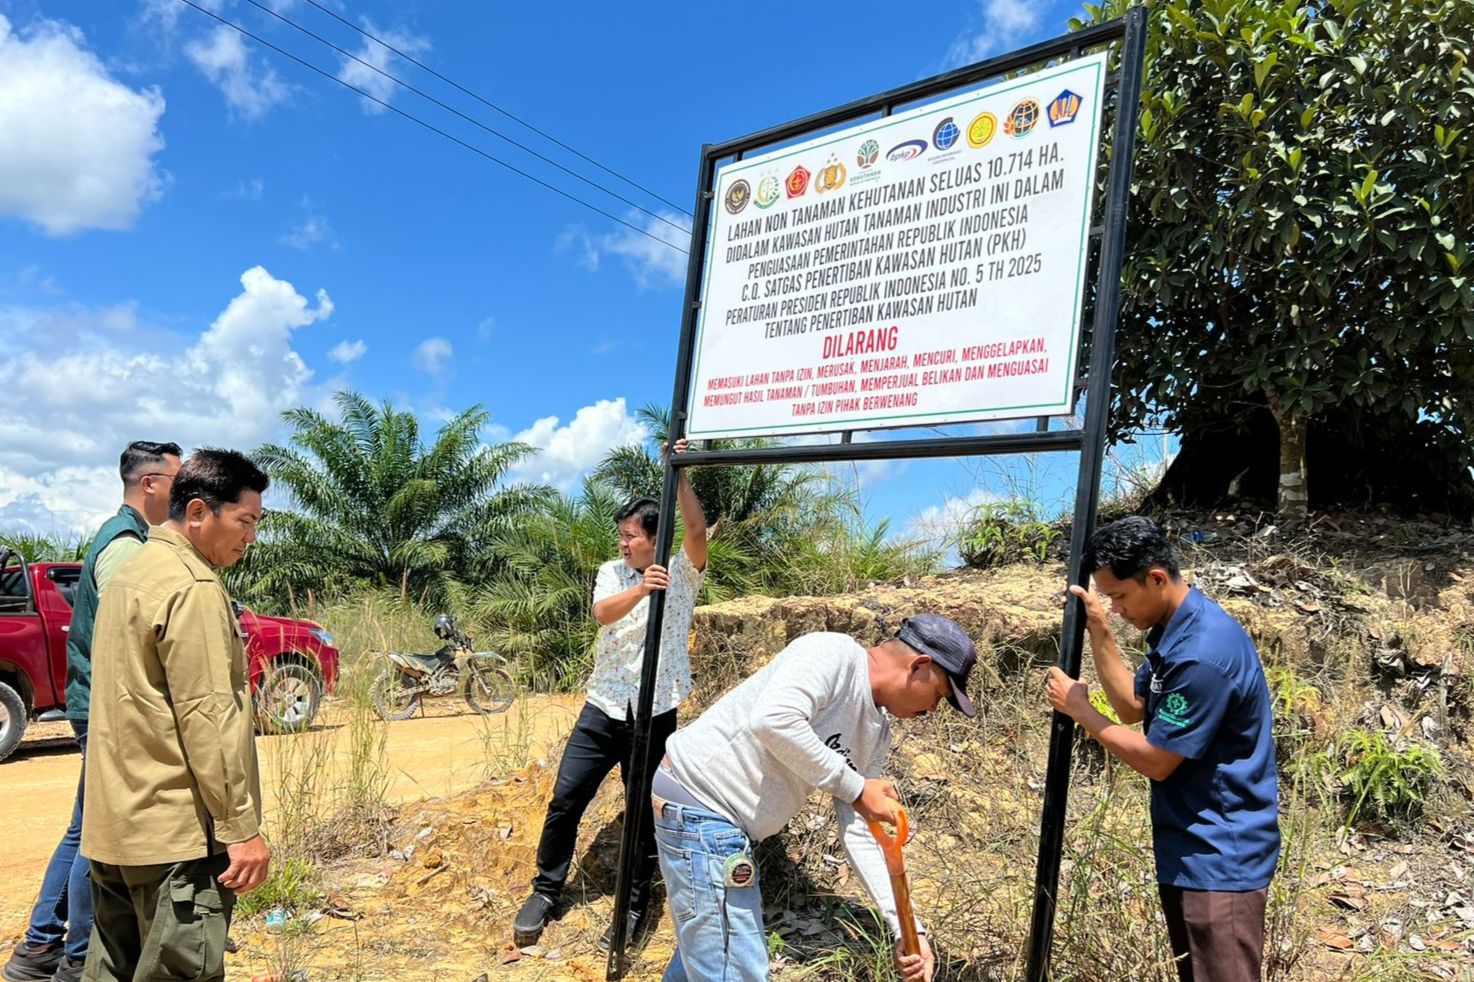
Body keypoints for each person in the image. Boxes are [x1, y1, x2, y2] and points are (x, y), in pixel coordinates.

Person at [654, 614, 981, 982]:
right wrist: (856, 787)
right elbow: (773, 720)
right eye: (939, 695)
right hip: (700, 806)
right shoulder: (833, 654)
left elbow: (861, 830)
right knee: (736, 968)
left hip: (718, 823)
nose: (932, 710)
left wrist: (908, 929)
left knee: (710, 952)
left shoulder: (876, 732)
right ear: (919, 666)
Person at [1045, 516, 1280, 982]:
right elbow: (1134, 707)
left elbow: (1157, 760)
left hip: (1219, 857)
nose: (1118, 607)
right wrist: (1100, 630)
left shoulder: (1202, 653)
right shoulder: (1177, 629)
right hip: (1192, 849)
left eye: (1120, 597)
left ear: (1155, 578)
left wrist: (1083, 712)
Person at [80, 449, 272, 982]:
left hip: (117, 828)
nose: (251, 537)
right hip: (175, 837)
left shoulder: (131, 571)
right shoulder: (194, 586)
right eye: (244, 521)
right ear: (196, 512)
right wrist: (241, 828)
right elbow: (208, 717)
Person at [514, 440, 708, 949]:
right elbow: (602, 613)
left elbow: (693, 529)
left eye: (630, 536)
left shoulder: (683, 573)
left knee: (644, 813)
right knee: (566, 799)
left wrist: (680, 471)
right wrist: (643, 587)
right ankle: (545, 889)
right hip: (602, 707)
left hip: (655, 711)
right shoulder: (612, 573)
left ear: (652, 537)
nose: (623, 543)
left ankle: (634, 908)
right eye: (620, 536)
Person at [2, 441, 181, 982]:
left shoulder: (122, 536)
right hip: (107, 707)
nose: (186, 488)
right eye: (178, 478)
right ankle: (79, 956)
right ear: (149, 483)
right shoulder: (126, 546)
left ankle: (39, 951)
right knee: (99, 833)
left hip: (95, 703)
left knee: (84, 828)